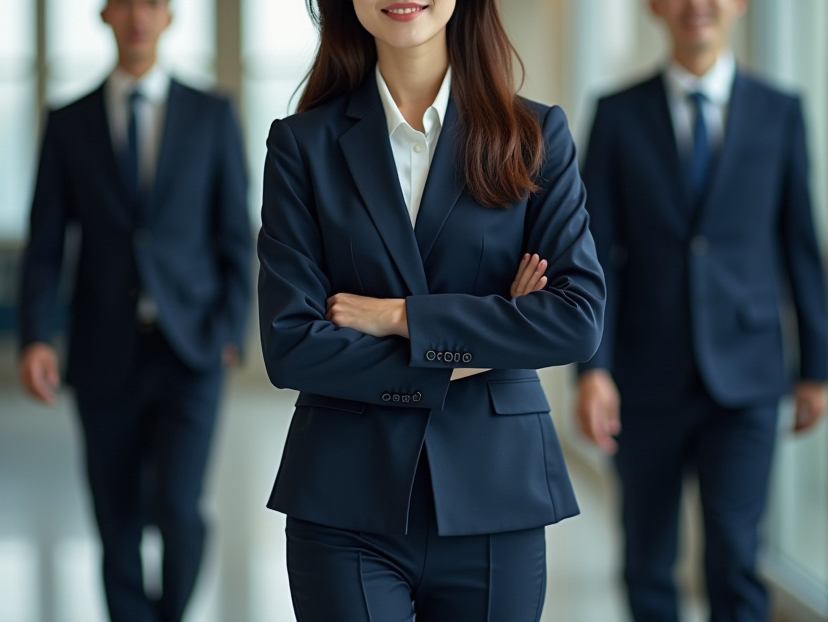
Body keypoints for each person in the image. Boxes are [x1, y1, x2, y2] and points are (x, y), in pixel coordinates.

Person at [257, 0, 606, 620]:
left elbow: (575, 318)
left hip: (498, 495)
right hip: (344, 501)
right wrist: (492, 337)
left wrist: (400, 319)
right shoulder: (301, 146)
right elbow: (292, 345)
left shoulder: (535, 135)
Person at [575, 1, 828, 620]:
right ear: (656, 8)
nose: (699, 6)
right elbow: (594, 254)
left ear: (739, 5)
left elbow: (800, 244)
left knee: (736, 557)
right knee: (648, 559)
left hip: (746, 375)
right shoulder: (616, 115)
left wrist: (817, 366)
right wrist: (591, 369)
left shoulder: (781, 111)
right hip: (643, 373)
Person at [17, 1, 251, 620]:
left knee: (177, 507)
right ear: (104, 15)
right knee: (115, 515)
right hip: (103, 347)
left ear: (169, 17)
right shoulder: (68, 122)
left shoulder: (211, 114)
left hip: (192, 345)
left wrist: (231, 327)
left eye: (151, 3)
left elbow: (236, 235)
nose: (138, 16)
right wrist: (37, 338)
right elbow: (45, 244)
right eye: (125, 4)